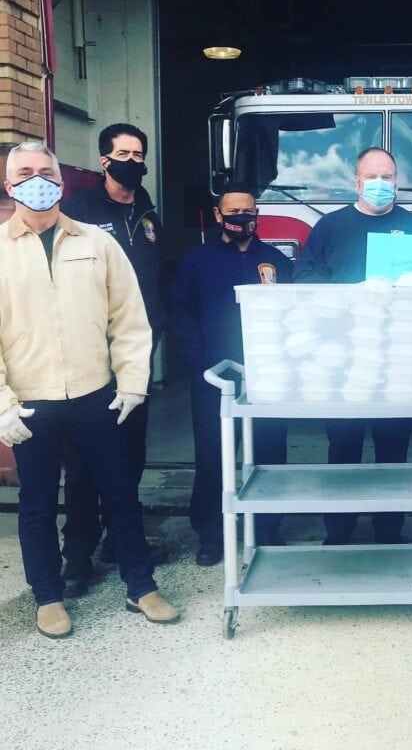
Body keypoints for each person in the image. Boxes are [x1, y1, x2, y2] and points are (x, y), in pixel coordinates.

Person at [0, 142, 178, 637]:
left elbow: (130, 320)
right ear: (9, 185)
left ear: (61, 182)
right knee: (37, 504)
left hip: (96, 395)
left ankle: (141, 587)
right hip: (31, 405)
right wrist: (2, 408)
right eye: (25, 173)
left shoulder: (97, 244)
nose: (37, 180)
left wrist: (134, 383)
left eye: (46, 172)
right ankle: (48, 597)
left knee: (121, 493)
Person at [294, 147, 412, 545]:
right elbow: (304, 278)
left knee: (393, 444)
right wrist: (351, 293)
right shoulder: (330, 227)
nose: (381, 184)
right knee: (343, 443)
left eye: (388, 177)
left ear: (397, 181)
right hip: (343, 354)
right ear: (356, 181)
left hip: (396, 355)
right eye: (373, 177)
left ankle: (389, 529)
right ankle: (339, 529)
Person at [59, 123, 167, 597]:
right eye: (122, 152)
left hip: (136, 353)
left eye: (138, 152)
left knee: (130, 455)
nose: (132, 159)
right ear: (104, 159)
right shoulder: (78, 212)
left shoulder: (147, 212)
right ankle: (77, 556)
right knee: (82, 460)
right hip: (89, 355)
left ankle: (119, 545)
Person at [172, 182, 293, 566]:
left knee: (270, 455)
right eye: (235, 211)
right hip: (215, 379)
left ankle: (268, 529)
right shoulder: (197, 261)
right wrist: (200, 364)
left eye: (250, 210)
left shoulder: (276, 260)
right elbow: (181, 314)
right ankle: (211, 535)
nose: (243, 217)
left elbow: (297, 314)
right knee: (213, 457)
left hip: (268, 377)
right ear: (219, 215)